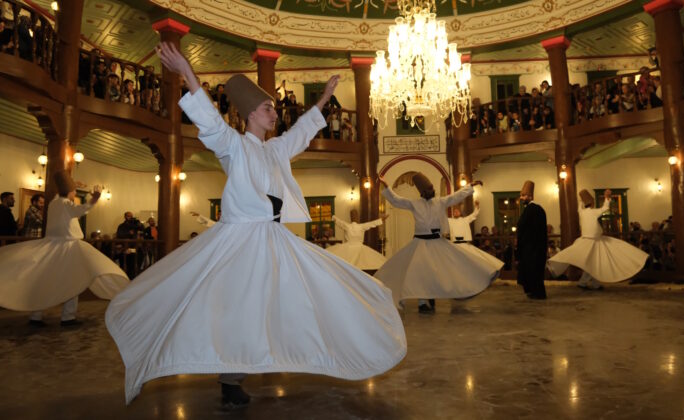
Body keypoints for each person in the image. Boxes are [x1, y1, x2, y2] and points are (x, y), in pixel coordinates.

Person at [105, 42, 406, 407]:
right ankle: (229, 378)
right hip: (241, 239)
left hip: (273, 237)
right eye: (268, 108)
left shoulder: (275, 149)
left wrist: (325, 97)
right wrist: (186, 71)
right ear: (250, 114)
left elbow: (301, 132)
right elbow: (210, 121)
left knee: (305, 292)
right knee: (237, 305)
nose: (274, 113)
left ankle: (283, 354)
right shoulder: (234, 145)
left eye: (274, 108)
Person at [0, 171, 128, 326]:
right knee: (73, 281)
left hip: (51, 246)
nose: (74, 193)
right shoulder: (65, 204)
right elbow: (80, 210)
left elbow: (65, 200)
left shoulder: (54, 203)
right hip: (67, 247)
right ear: (69, 192)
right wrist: (94, 199)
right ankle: (68, 317)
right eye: (73, 191)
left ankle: (36, 316)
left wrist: (73, 184)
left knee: (45, 281)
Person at [374, 173, 493, 313]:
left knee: (446, 267)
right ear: (422, 192)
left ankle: (440, 294)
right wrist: (386, 184)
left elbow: (456, 196)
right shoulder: (414, 203)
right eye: (428, 189)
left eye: (431, 188)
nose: (431, 191)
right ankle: (422, 302)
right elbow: (396, 200)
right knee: (422, 272)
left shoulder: (440, 201)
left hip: (437, 241)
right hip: (420, 243)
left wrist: (469, 186)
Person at [548, 189, 649, 290]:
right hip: (594, 242)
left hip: (585, 241)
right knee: (595, 262)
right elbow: (605, 208)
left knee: (592, 263)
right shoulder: (593, 212)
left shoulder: (582, 212)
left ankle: (590, 284)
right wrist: (607, 197)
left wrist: (582, 199)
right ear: (592, 203)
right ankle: (586, 283)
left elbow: (580, 207)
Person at [448, 201, 504, 279]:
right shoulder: (450, 221)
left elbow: (474, 214)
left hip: (465, 245)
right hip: (455, 246)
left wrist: (477, 206)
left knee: (476, 259)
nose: (455, 212)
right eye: (454, 211)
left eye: (457, 211)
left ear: (460, 212)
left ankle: (488, 272)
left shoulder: (465, 220)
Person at [516, 181, 548, 299]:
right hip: (534, 247)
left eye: (523, 196)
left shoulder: (533, 209)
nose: (521, 198)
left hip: (532, 247)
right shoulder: (536, 209)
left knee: (533, 270)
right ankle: (533, 291)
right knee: (532, 270)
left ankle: (537, 293)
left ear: (530, 196)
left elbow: (524, 227)